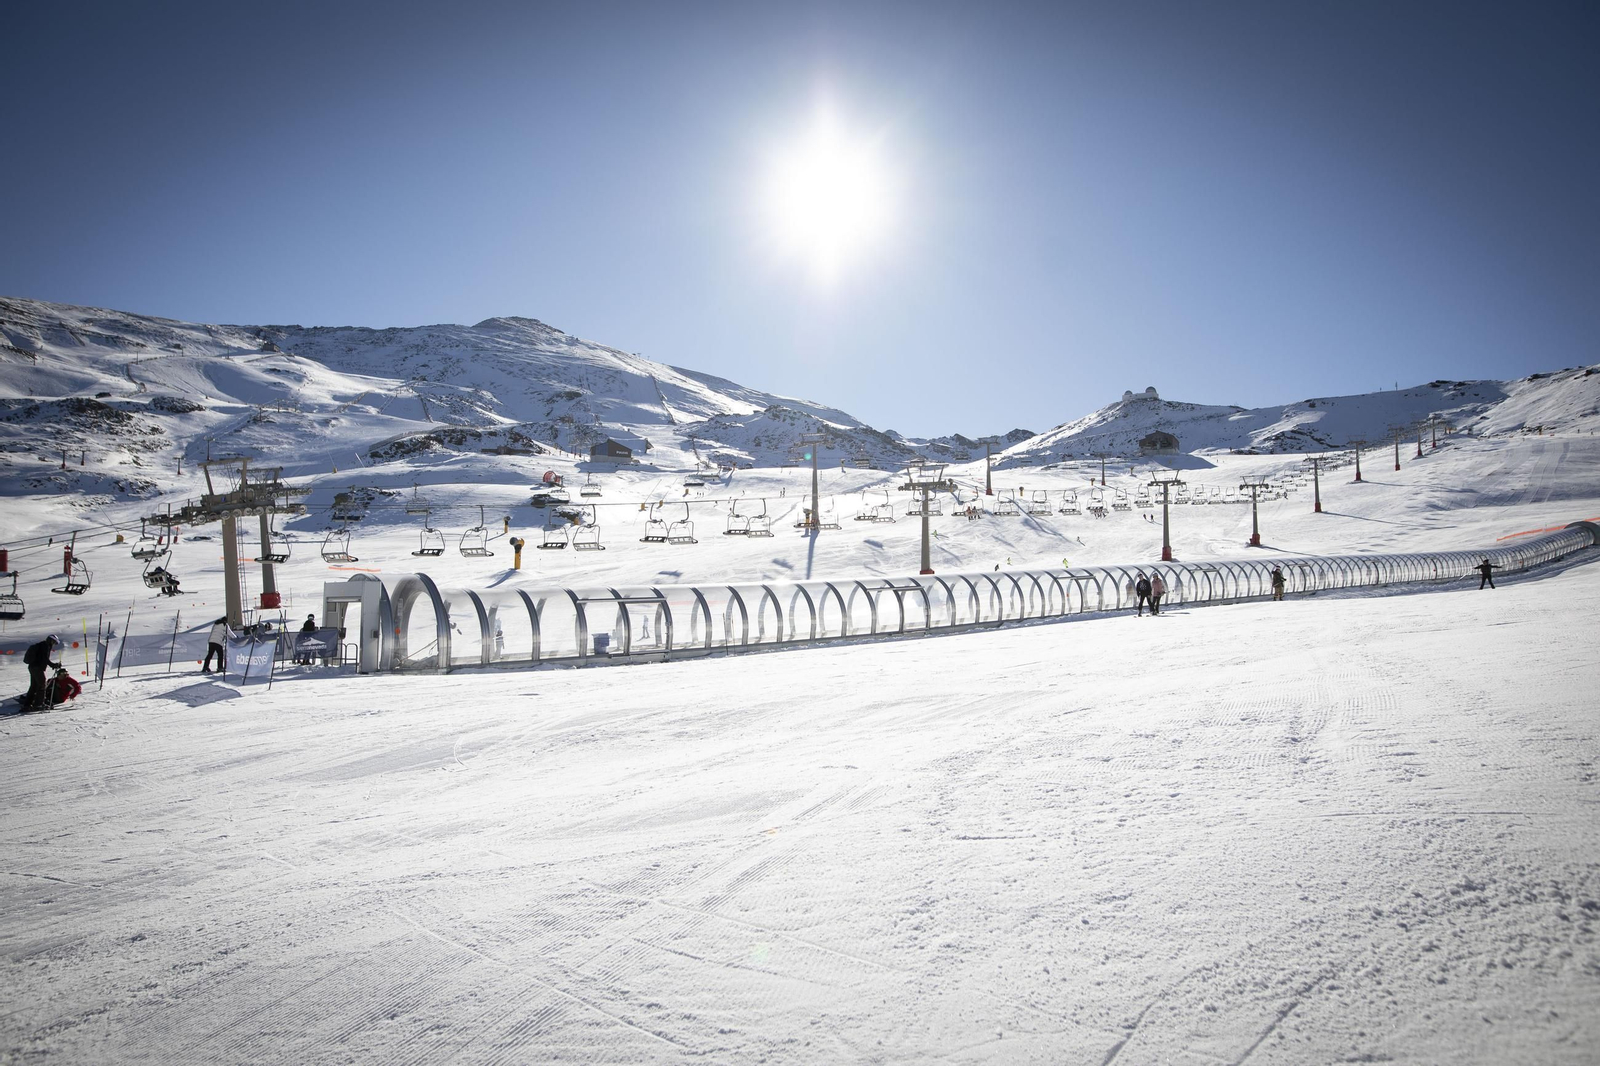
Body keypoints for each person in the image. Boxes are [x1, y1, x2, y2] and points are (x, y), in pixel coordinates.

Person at [22, 634, 63, 710]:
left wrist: (53, 665)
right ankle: (38, 704)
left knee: (34, 686)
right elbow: (45, 659)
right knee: (42, 685)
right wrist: (53, 665)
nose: (54, 644)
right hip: (37, 668)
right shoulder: (45, 646)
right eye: (54, 642)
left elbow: (44, 658)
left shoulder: (42, 645)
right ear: (51, 640)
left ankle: (27, 704)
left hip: (32, 667)